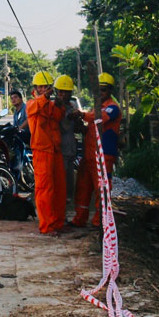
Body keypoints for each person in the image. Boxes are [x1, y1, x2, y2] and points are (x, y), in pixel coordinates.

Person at [72, 73, 123, 228]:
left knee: (102, 189)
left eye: (103, 90)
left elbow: (100, 118)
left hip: (103, 156)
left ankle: (100, 222)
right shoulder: (96, 107)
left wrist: (82, 114)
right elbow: (92, 126)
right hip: (88, 155)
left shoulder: (113, 108)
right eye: (98, 89)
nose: (100, 93)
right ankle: (80, 219)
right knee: (83, 188)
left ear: (110, 90)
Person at [26, 71, 67, 235]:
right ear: (35, 89)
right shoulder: (31, 104)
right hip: (41, 151)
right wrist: (45, 98)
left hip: (55, 150)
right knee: (44, 189)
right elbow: (34, 108)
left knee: (59, 188)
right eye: (40, 87)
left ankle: (57, 222)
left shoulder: (50, 105)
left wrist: (58, 103)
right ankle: (47, 226)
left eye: (46, 87)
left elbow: (58, 116)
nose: (43, 89)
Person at [54, 75, 81, 212]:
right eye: (60, 91)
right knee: (62, 182)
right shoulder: (55, 107)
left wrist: (77, 119)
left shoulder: (71, 106)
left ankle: (67, 204)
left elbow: (76, 129)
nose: (62, 95)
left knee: (70, 181)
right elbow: (61, 127)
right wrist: (68, 118)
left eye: (65, 92)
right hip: (60, 149)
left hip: (70, 149)